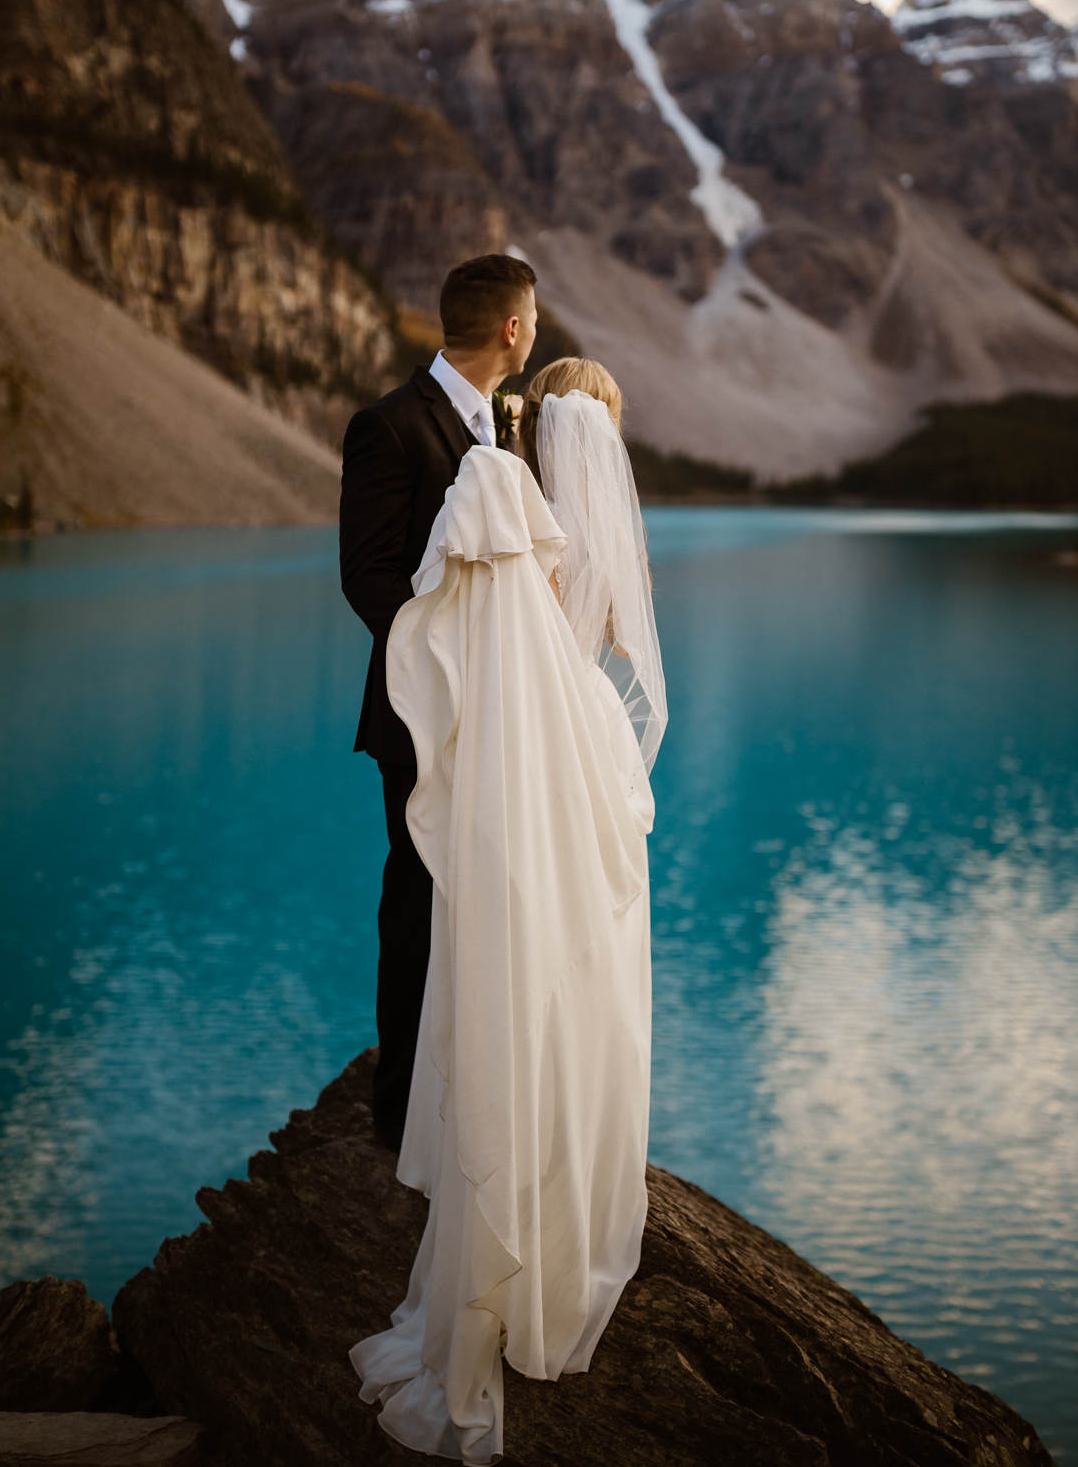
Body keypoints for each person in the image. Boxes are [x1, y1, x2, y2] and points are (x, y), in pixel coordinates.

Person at [348, 356, 667, 1463]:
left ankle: (495, 1207)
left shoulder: (511, 505)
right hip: (588, 760)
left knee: (506, 960)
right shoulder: (591, 541)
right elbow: (621, 645)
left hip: (526, 769)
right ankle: (565, 1190)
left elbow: (466, 627)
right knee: (582, 977)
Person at [339, 254, 538, 1150]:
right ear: (511, 328)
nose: (534, 331)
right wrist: (452, 659)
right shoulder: (388, 425)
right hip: (423, 713)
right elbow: (367, 576)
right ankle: (399, 1109)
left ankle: (466, 1085)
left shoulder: (503, 427)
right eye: (532, 318)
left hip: (499, 713)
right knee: (418, 896)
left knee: (487, 897)